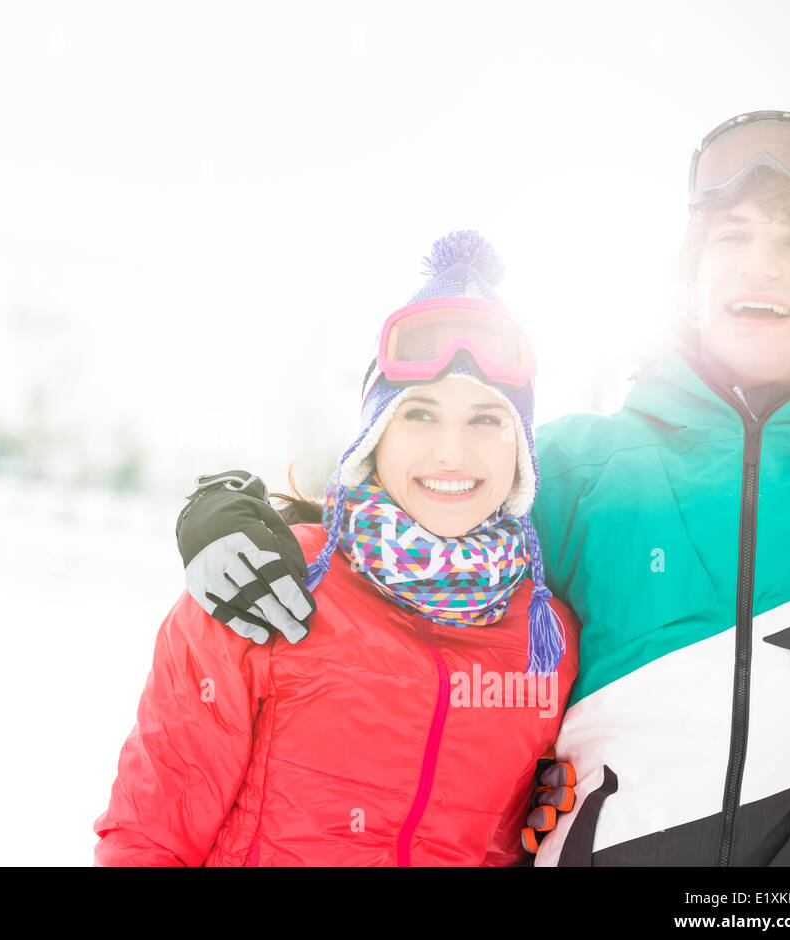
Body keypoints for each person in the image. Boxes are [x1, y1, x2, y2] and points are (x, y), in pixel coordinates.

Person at [168, 109, 790, 866]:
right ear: (687, 287)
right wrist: (232, 512)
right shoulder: (576, 469)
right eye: (732, 238)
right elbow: (399, 534)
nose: (761, 265)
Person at [93, 232, 580, 866]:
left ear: (521, 453)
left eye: (487, 419)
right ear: (374, 438)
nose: (453, 453)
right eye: (421, 414)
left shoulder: (547, 639)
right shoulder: (264, 582)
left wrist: (542, 828)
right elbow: (150, 837)